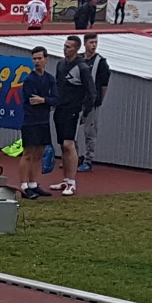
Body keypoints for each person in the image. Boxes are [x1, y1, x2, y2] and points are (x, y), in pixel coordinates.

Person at [52, 36, 93, 196]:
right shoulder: (61, 64)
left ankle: (72, 182)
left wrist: (85, 112)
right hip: (60, 109)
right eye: (64, 46)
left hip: (73, 110)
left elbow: (91, 92)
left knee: (69, 145)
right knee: (62, 146)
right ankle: (65, 180)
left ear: (76, 49)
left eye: (68, 47)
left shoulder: (82, 68)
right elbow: (57, 85)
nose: (65, 49)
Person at [17, 46, 59, 199]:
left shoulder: (50, 78)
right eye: (34, 59)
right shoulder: (29, 80)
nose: (37, 61)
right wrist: (46, 100)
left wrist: (44, 100)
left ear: (46, 59)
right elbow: (32, 100)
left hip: (44, 121)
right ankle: (24, 186)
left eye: (39, 58)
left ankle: (33, 184)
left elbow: (55, 99)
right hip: (30, 121)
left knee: (39, 154)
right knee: (28, 153)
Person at [78, 34, 110, 172]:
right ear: (85, 43)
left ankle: (88, 159)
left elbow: (104, 84)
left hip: (91, 102)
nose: (94, 45)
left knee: (90, 132)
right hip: (76, 101)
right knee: (71, 132)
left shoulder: (101, 62)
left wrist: (99, 100)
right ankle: (73, 157)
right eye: (91, 42)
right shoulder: (78, 59)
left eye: (95, 42)